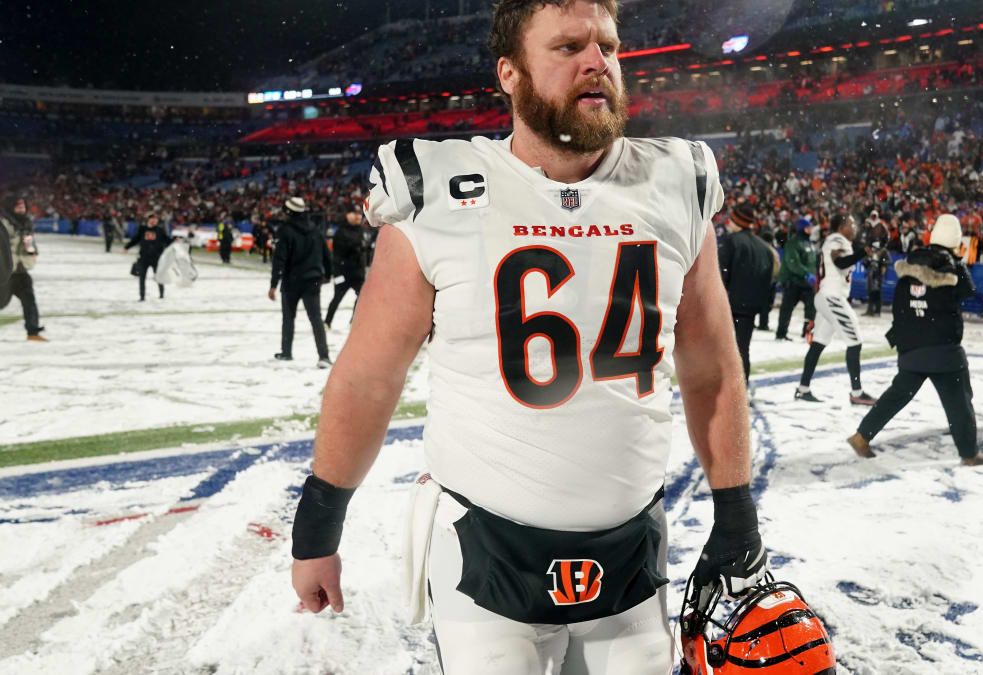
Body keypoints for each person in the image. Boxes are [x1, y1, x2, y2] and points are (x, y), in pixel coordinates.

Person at [289, 2, 769, 672]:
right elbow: (371, 373)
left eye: (607, 45)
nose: (597, 61)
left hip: (631, 562)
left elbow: (712, 368)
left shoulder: (676, 181)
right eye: (568, 46)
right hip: (483, 564)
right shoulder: (439, 189)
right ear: (509, 74)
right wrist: (318, 524)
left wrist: (737, 512)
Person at [847, 215, 983, 466]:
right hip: (943, 349)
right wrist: (958, 261)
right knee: (959, 403)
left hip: (912, 346)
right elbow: (968, 292)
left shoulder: (911, 262)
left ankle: (862, 436)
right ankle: (969, 453)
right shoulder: (951, 265)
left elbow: (900, 306)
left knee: (896, 396)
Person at [794, 213, 876, 405]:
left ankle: (803, 389)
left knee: (818, 343)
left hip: (827, 297)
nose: (855, 228)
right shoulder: (836, 239)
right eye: (851, 223)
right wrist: (864, 251)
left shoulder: (838, 241)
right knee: (855, 341)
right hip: (832, 297)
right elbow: (840, 262)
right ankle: (856, 392)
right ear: (841, 227)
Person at [269, 196, 332, 368]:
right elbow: (327, 254)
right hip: (312, 280)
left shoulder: (285, 231)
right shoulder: (315, 229)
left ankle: (286, 352)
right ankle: (324, 356)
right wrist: (328, 274)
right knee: (316, 319)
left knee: (288, 318)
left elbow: (279, 260)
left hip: (291, 281)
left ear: (288, 212)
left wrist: (274, 284)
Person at [719, 204, 779, 384]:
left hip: (731, 305)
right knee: (742, 349)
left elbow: (720, 274)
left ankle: (726, 390)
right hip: (751, 307)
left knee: (725, 350)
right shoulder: (763, 247)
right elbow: (771, 279)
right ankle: (740, 389)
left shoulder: (731, 242)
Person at [0, 196, 45, 341]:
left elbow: (29, 242)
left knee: (29, 299)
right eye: (18, 207)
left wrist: (31, 251)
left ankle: (33, 331)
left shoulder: (26, 223)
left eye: (23, 207)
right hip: (5, 270)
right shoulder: (3, 222)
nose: (22, 210)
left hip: (21, 269)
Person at [324, 207, 369, 329]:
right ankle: (327, 322)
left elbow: (363, 250)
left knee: (362, 297)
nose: (358, 217)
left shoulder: (361, 230)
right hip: (343, 273)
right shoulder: (341, 232)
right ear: (348, 215)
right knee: (337, 298)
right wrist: (337, 274)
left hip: (358, 274)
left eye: (359, 214)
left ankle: (354, 320)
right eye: (354, 214)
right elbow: (338, 254)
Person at [775, 217, 817, 342]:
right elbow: (793, 262)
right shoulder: (793, 243)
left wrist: (813, 274)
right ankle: (781, 333)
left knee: (811, 309)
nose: (810, 230)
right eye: (808, 228)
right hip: (793, 282)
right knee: (786, 309)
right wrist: (806, 273)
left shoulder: (810, 243)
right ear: (802, 228)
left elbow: (812, 262)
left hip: (806, 283)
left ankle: (807, 333)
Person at [124, 213, 169, 301]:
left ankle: (161, 295)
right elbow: (135, 239)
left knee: (159, 277)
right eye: (153, 219)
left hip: (156, 258)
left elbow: (167, 240)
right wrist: (127, 247)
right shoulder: (142, 229)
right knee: (142, 278)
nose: (155, 221)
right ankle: (142, 296)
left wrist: (176, 240)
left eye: (156, 219)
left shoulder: (160, 230)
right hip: (144, 258)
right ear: (148, 219)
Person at [863, 234, 891, 316]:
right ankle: (870, 310)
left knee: (877, 291)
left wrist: (881, 262)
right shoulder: (871, 250)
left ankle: (877, 311)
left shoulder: (883, 250)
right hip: (870, 272)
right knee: (870, 291)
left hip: (878, 273)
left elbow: (888, 261)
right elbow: (865, 260)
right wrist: (867, 261)